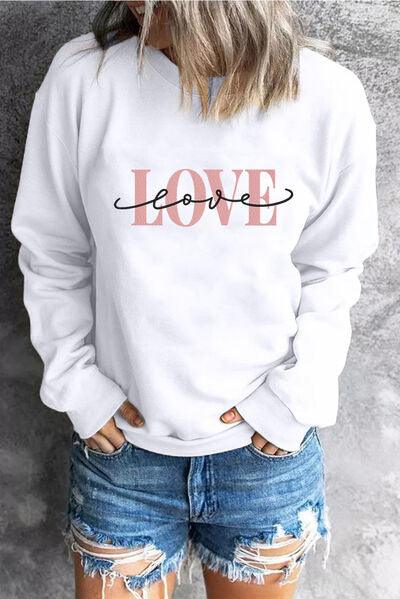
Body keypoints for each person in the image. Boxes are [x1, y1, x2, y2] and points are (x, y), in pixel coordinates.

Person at [10, 1, 379, 598]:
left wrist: (296, 397)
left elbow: (332, 266)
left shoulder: (327, 95)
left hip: (264, 460)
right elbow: (53, 251)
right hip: (124, 458)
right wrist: (78, 385)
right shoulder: (85, 79)